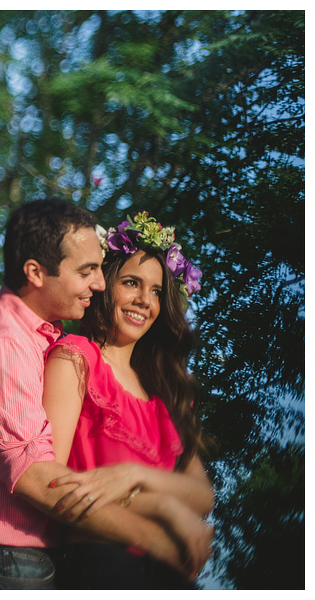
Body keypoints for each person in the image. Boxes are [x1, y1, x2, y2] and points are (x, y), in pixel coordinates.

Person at [0, 200, 207, 590]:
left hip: (22, 561)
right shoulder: (4, 342)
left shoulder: (38, 338)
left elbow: (201, 492)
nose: (98, 283)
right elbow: (37, 476)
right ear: (36, 272)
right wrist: (156, 530)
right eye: (87, 271)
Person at [42, 212, 213, 588]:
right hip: (100, 565)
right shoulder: (76, 358)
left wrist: (134, 476)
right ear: (104, 284)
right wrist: (164, 505)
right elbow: (48, 483)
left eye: (156, 291)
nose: (144, 301)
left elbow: (202, 495)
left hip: (171, 573)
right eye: (132, 283)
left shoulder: (165, 393)